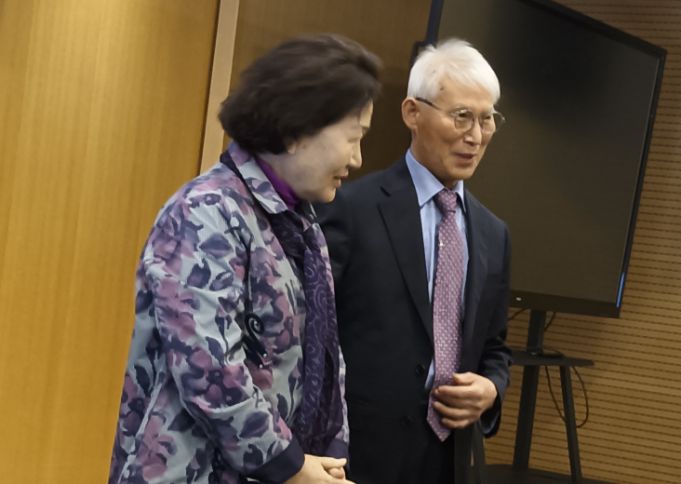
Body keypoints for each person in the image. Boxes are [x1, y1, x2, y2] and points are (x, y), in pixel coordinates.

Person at [109, 34, 380, 484]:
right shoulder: (205, 211)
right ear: (296, 131)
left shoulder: (301, 223)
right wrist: (292, 466)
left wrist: (327, 459)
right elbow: (209, 370)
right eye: (353, 138)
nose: (357, 159)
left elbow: (326, 359)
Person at [316, 38, 512, 484]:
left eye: (486, 119)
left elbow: (495, 347)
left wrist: (490, 389)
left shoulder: (494, 234)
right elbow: (311, 337)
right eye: (461, 116)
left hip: (450, 462)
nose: (475, 136)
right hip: (357, 457)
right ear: (412, 113)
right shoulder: (350, 208)